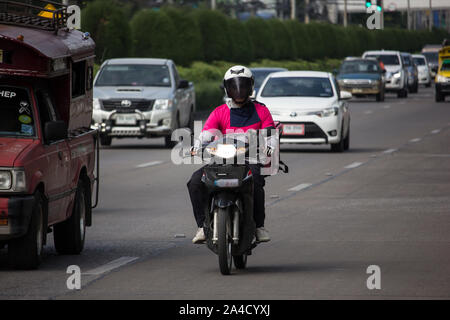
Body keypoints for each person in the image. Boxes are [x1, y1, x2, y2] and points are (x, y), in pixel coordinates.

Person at [187, 65, 277, 244]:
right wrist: (197, 146)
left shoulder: (261, 111)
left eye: (243, 86)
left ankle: (259, 226)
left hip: (250, 160)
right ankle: (203, 226)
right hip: (221, 161)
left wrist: (269, 147)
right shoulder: (220, 112)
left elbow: (270, 135)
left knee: (256, 182)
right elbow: (205, 134)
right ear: (227, 88)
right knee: (195, 182)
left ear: (250, 86)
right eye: (234, 86)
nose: (239, 91)